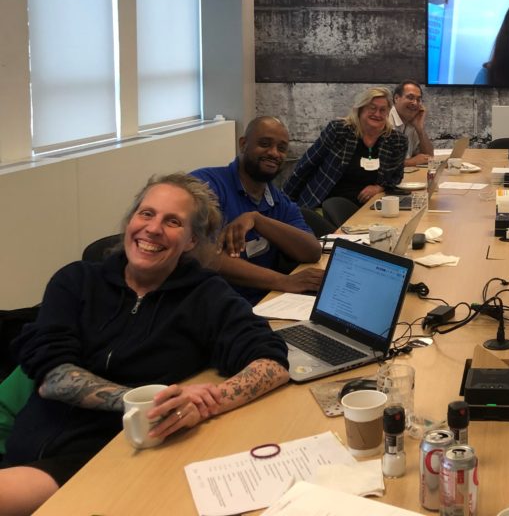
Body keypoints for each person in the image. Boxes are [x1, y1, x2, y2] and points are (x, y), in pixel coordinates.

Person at [0, 174, 289, 515]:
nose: (153, 229)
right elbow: (54, 377)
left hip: (104, 457)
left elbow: (272, 362)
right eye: (146, 213)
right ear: (130, 220)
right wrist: (144, 401)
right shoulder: (75, 281)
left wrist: (204, 403)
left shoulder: (206, 296)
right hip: (31, 440)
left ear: (192, 240)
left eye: (172, 221)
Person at [192, 116, 323, 304]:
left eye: (281, 148)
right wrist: (283, 281)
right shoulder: (207, 185)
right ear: (243, 144)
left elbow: (312, 251)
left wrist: (258, 220)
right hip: (212, 307)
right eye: (264, 144)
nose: (274, 153)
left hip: (265, 303)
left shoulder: (279, 201)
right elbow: (205, 256)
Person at [283, 87, 406, 226]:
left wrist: (379, 188)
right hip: (325, 205)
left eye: (382, 110)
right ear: (360, 109)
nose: (377, 114)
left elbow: (396, 176)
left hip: (369, 208)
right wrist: (284, 204)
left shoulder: (396, 141)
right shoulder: (339, 131)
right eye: (372, 108)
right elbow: (306, 165)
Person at [390, 81, 434, 166]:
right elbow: (380, 161)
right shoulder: (384, 120)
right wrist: (412, 162)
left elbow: (429, 157)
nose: (415, 103)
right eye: (410, 98)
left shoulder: (412, 122)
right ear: (396, 98)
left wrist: (420, 129)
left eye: (418, 99)